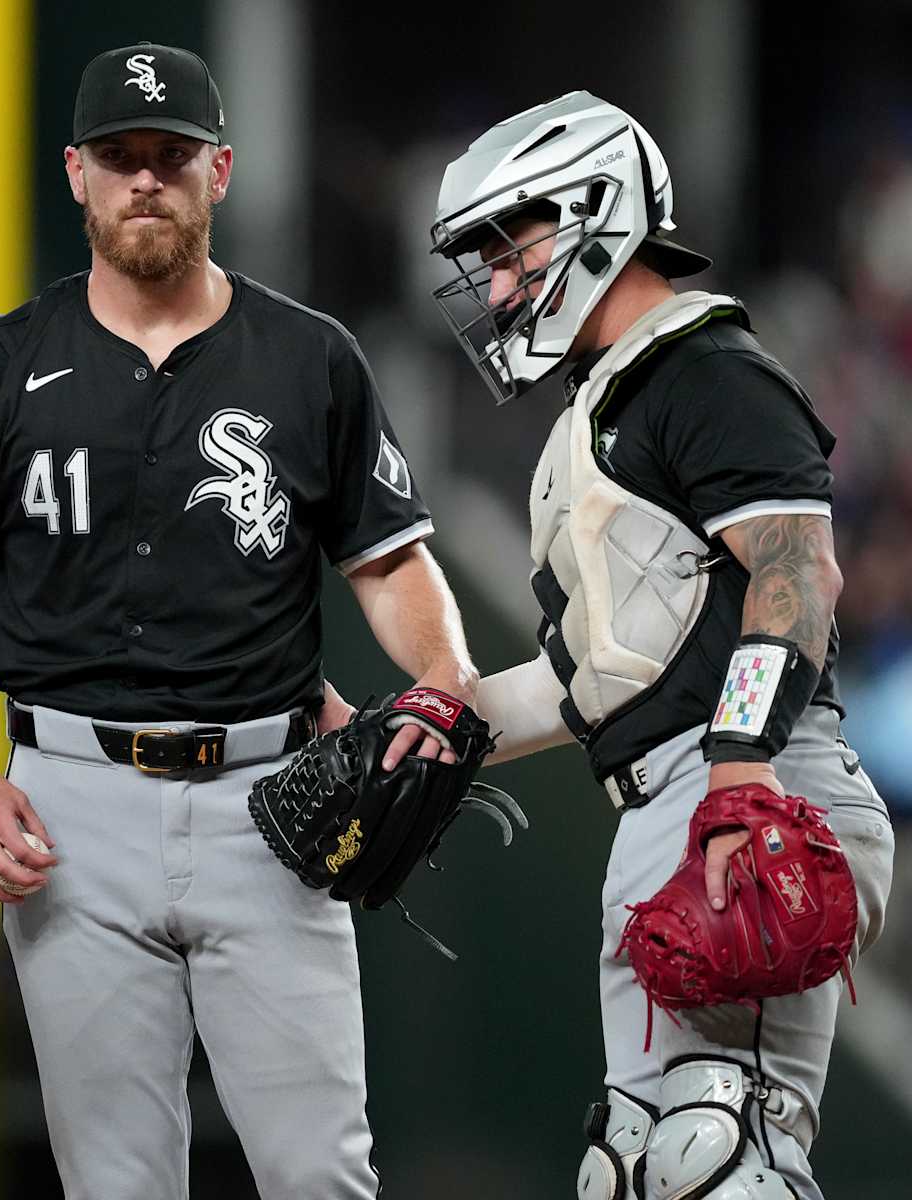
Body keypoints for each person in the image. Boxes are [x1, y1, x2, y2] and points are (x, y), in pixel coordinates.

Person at [0, 42, 479, 1199]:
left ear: (220, 168)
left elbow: (389, 561)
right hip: (70, 802)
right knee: (116, 1181)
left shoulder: (311, 358)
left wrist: (447, 676)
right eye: (121, 157)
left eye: (170, 156)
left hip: (269, 804)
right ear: (75, 173)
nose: (145, 180)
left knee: (320, 1171)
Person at [430, 91, 895, 1199]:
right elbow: (599, 680)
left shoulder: (708, 369)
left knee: (724, 1163)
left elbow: (797, 572)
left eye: (510, 248)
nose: (496, 286)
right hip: (666, 803)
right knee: (638, 1169)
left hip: (755, 788)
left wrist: (738, 775)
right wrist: (435, 729)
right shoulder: (610, 404)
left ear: (593, 209)